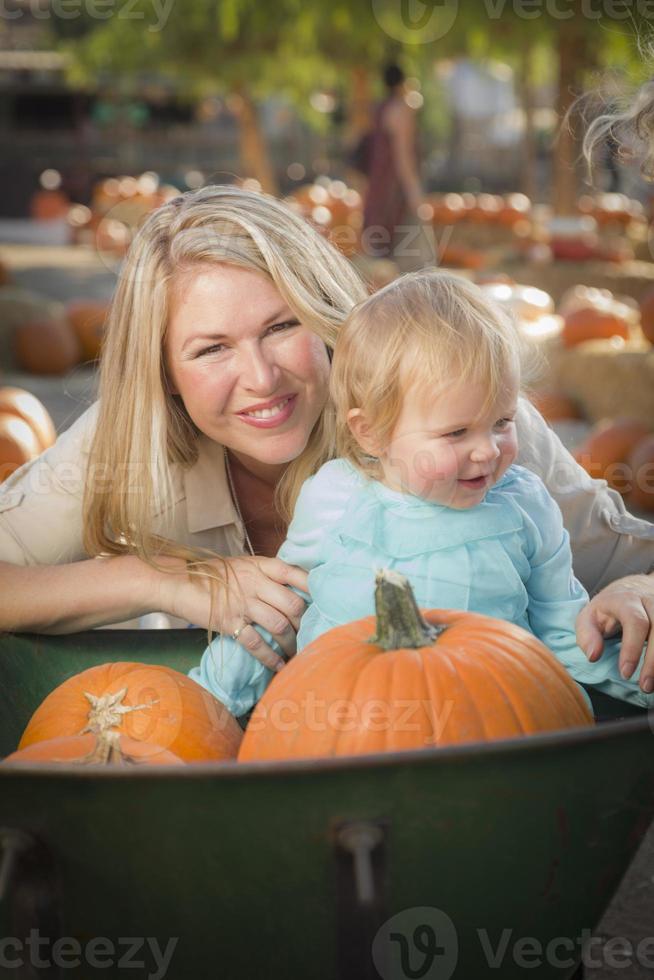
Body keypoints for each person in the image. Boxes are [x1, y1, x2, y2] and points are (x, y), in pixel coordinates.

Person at [0, 186, 652, 680]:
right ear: (164, 372)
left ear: (328, 318)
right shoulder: (128, 439)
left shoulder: (460, 422)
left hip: (464, 720)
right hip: (245, 735)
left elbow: (635, 560)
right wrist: (161, 579)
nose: (260, 378)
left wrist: (639, 591)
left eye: (283, 326)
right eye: (210, 350)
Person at [192, 270, 654, 718]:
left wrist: (640, 683)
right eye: (455, 433)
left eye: (502, 422)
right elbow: (280, 613)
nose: (487, 451)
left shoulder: (524, 502)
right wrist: (206, 700)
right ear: (371, 433)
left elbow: (564, 630)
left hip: (494, 718)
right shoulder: (335, 498)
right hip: (350, 720)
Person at [361, 63, 434, 270]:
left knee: (382, 258)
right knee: (414, 262)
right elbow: (403, 157)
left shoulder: (380, 109)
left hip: (379, 187)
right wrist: (415, 196)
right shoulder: (401, 110)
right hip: (397, 192)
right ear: (403, 82)